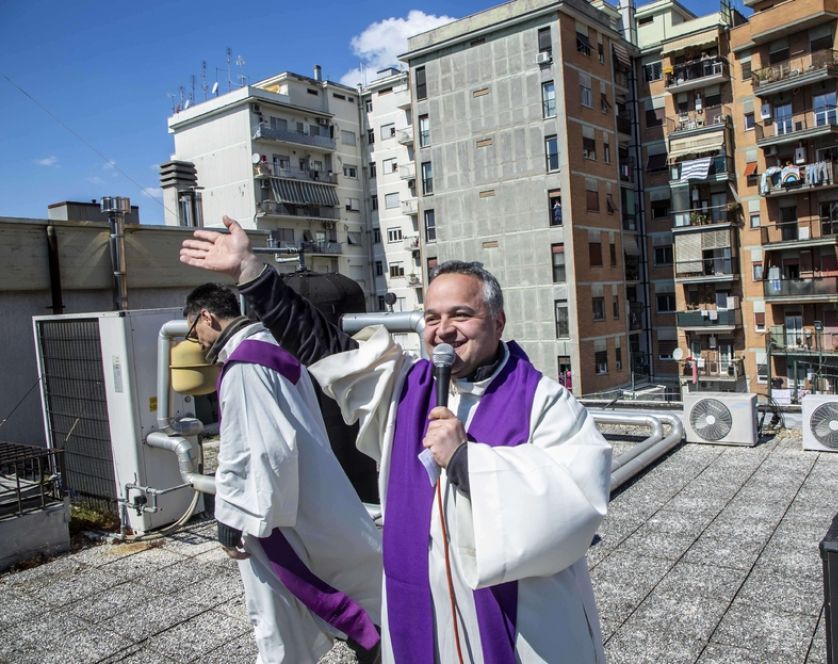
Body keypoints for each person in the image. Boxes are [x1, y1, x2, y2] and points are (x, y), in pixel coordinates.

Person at [180, 216, 613, 663]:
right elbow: (326, 349)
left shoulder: (544, 401)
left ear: (498, 322)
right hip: (423, 609)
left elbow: (576, 501)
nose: (443, 330)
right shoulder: (405, 388)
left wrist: (467, 461)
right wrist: (251, 273)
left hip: (521, 621)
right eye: (432, 317)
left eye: (461, 315)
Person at [183, 283, 382, 664]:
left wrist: (230, 515)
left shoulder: (243, 366)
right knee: (337, 577)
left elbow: (252, 448)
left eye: (195, 330)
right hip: (308, 487)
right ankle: (368, 636)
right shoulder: (273, 348)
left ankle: (365, 639)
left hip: (273, 511)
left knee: (276, 611)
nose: (198, 341)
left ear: (207, 316)